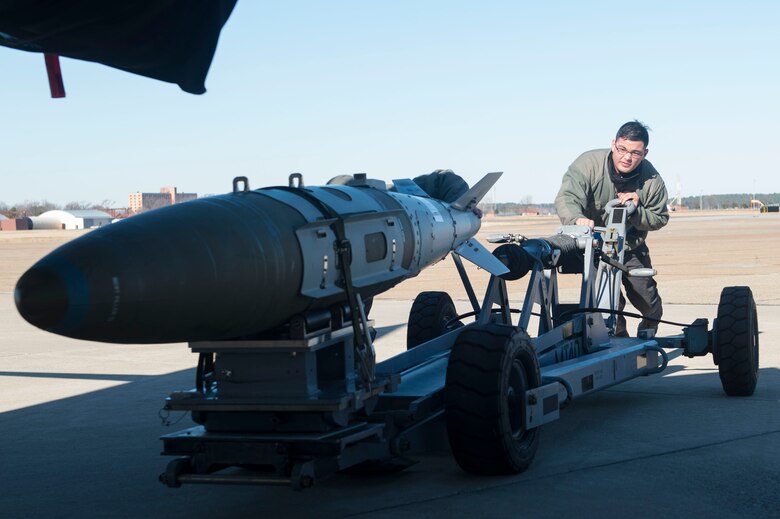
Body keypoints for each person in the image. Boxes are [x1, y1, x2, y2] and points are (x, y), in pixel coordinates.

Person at [554, 120, 669, 336]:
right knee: (608, 303)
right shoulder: (588, 164)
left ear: (645, 153)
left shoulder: (652, 180)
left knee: (647, 301)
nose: (627, 157)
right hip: (595, 246)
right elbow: (567, 197)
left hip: (630, 247)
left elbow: (659, 217)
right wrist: (576, 219)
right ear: (613, 143)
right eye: (622, 149)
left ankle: (648, 330)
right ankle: (617, 340)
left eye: (635, 153)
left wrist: (636, 211)